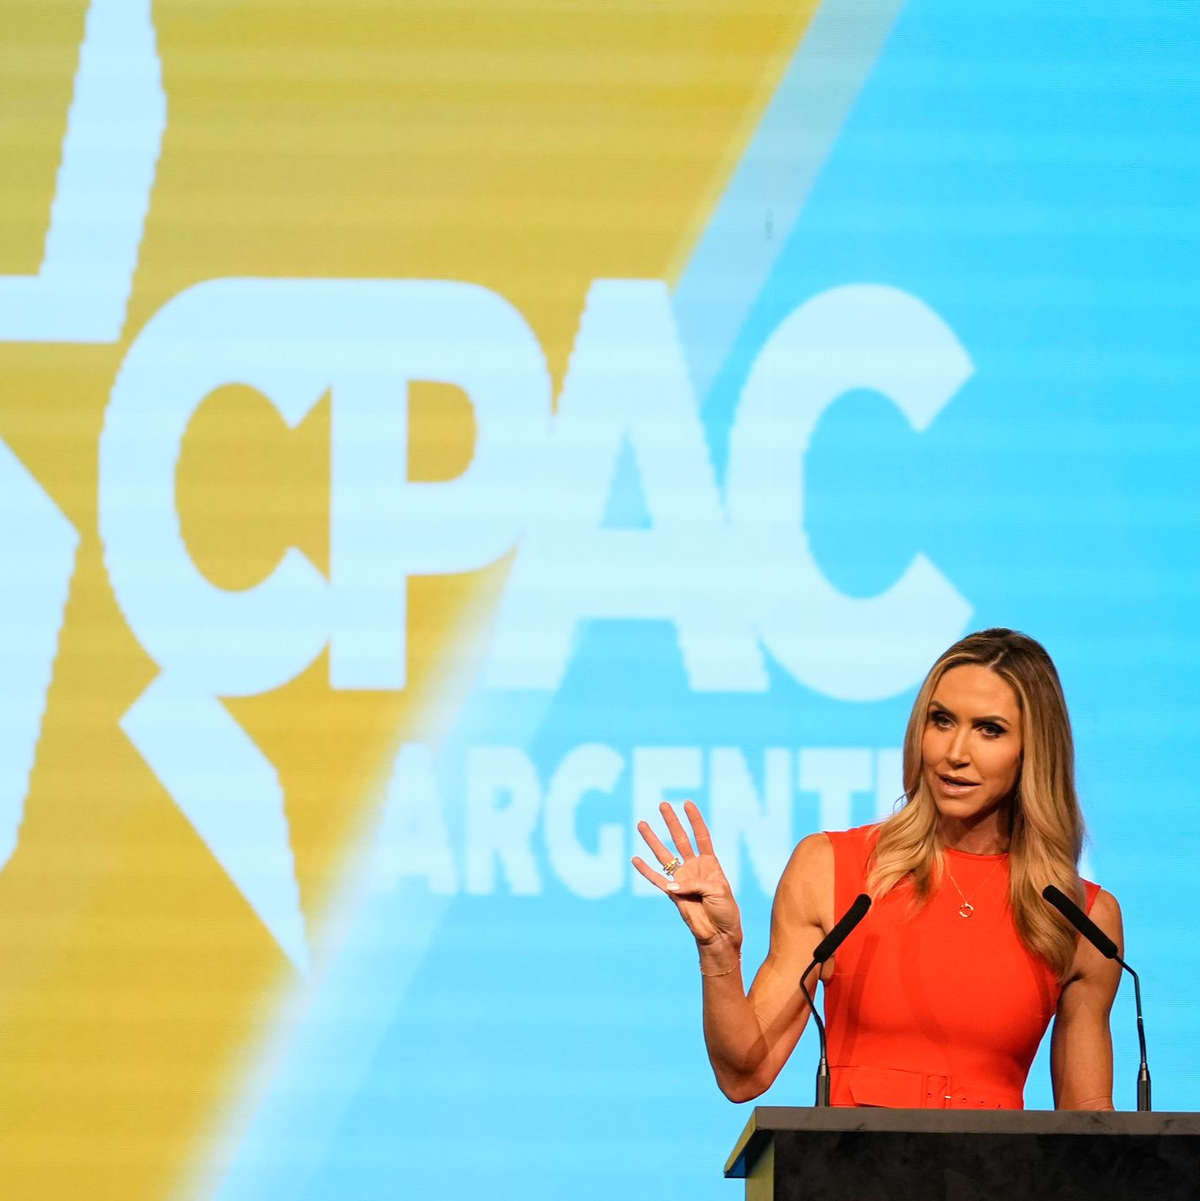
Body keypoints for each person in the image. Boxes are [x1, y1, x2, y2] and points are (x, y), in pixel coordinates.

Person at [632, 628, 1122, 1109]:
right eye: (942, 720)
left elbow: (1093, 1138)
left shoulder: (1081, 919)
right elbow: (745, 1073)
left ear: (1033, 752)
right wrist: (720, 953)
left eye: (989, 730)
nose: (955, 753)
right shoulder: (831, 869)